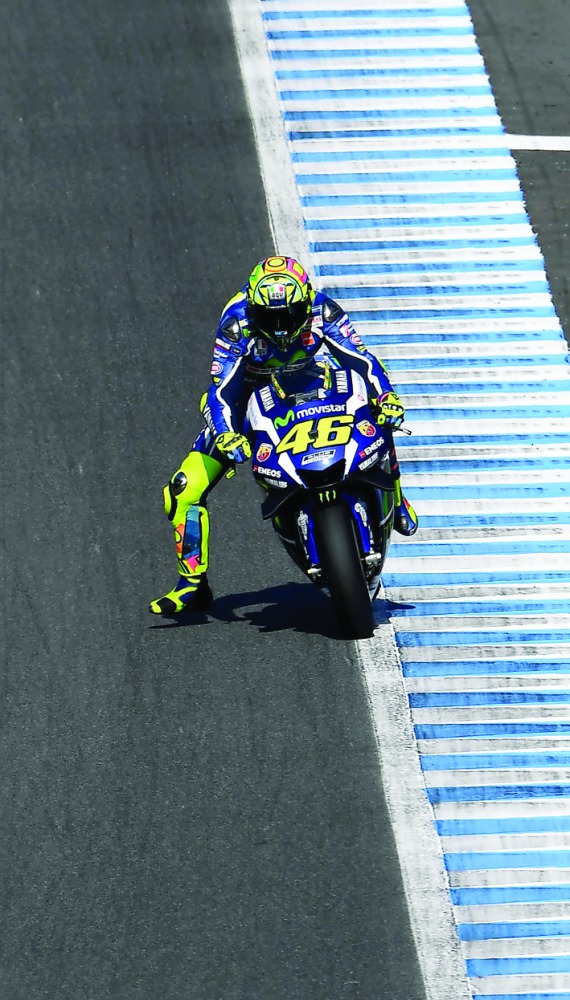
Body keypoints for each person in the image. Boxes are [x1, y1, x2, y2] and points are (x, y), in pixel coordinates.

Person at [149, 255, 418, 616]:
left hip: (313, 383)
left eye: (288, 315)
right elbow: (221, 389)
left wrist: (385, 397)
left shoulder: (323, 310)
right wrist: (227, 433)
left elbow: (361, 360)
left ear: (305, 304)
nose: (278, 327)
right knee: (184, 487)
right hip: (251, 398)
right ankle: (192, 584)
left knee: (380, 412)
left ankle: (396, 496)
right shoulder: (237, 323)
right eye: (268, 317)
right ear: (252, 306)